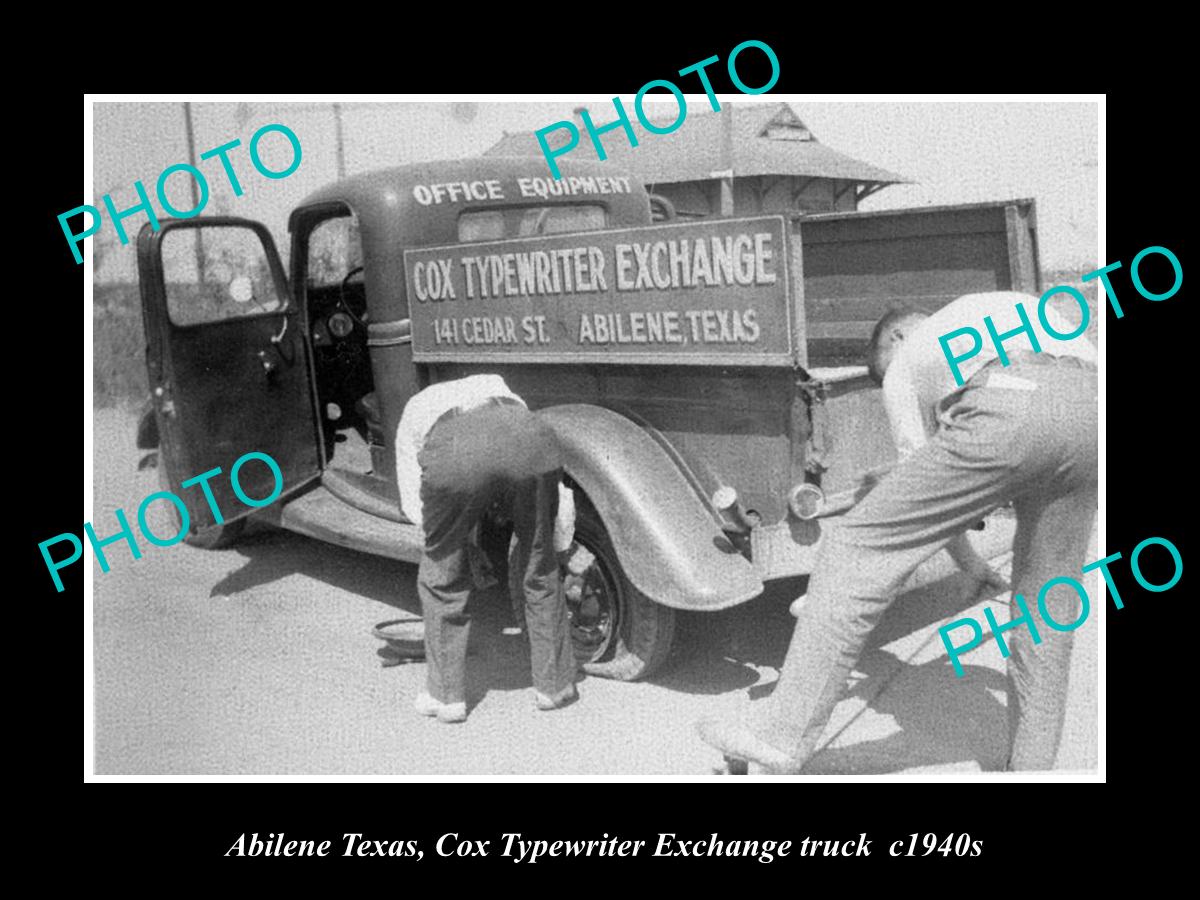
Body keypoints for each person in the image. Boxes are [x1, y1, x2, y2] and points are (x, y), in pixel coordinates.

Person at [698, 291, 1098, 771]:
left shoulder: (911, 354)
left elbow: (932, 507)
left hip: (1006, 400)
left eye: (884, 368)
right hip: (1093, 408)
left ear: (900, 335)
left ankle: (780, 736)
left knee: (855, 544)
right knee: (1047, 608)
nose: (890, 380)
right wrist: (977, 568)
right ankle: (1032, 770)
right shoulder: (983, 310)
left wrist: (967, 561)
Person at [394, 373, 578, 723]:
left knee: (440, 576)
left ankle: (445, 697)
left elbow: (416, 510)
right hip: (532, 441)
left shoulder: (413, 415)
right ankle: (554, 687)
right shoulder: (499, 385)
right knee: (540, 567)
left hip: (457, 453)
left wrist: (459, 540)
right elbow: (517, 473)